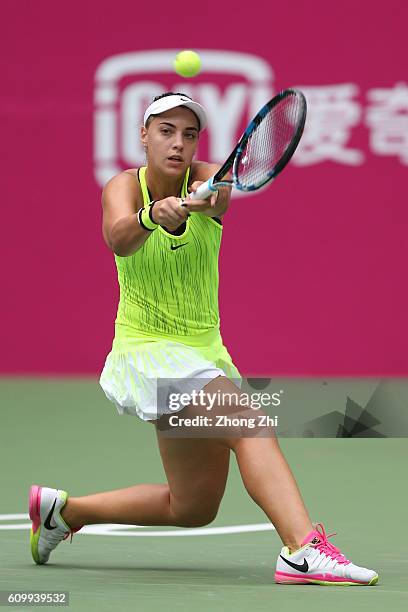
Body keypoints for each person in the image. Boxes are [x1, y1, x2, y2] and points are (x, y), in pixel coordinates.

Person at [29, 92, 378, 586]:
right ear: (143, 135)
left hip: (204, 351)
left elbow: (219, 194)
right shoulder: (122, 187)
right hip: (148, 351)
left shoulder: (213, 179)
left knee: (191, 506)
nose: (178, 143)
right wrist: (154, 216)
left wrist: (199, 199)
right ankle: (303, 551)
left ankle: (63, 513)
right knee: (251, 424)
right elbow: (117, 236)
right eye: (166, 131)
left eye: (188, 134)